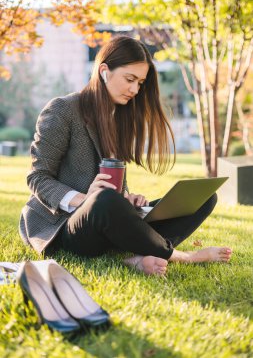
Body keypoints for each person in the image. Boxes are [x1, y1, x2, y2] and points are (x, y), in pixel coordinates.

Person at [19, 36, 232, 276]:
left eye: (140, 82)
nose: (135, 89)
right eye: (130, 79)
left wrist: (128, 199)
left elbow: (115, 184)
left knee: (203, 198)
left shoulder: (119, 118)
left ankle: (137, 256)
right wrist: (84, 199)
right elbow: (38, 177)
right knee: (104, 201)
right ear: (104, 71)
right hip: (63, 227)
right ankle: (180, 256)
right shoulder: (62, 109)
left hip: (107, 220)